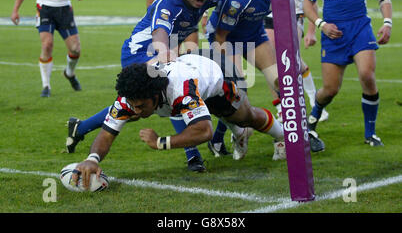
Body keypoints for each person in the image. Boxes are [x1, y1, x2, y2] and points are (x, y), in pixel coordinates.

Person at [66, 0, 219, 172]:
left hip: (161, 52)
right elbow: (160, 33)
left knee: (137, 108)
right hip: (140, 53)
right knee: (170, 90)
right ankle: (192, 153)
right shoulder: (168, 4)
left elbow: (226, 1)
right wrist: (165, 52)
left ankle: (80, 128)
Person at [70, 51, 285, 189]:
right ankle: (239, 133)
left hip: (215, 71)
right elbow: (107, 132)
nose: (136, 110)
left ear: (156, 95)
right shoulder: (132, 96)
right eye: (132, 105)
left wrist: (161, 143)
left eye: (142, 106)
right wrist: (93, 158)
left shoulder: (181, 90)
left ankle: (282, 136)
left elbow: (204, 131)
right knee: (213, 115)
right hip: (191, 68)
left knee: (245, 117)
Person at [303, 0, 393, 151]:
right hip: (333, 33)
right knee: (330, 89)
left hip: (360, 29)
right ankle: (311, 122)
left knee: (367, 75)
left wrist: (387, 22)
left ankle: (370, 133)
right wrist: (321, 25)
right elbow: (307, 4)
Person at [205, 0, 286, 161]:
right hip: (225, 37)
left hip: (254, 35)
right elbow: (221, 35)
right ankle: (236, 134)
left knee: (280, 81)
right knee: (236, 94)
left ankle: (284, 139)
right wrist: (228, 72)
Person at [247, 0, 329, 123]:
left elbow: (309, 0)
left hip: (293, 18)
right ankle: (284, 108)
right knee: (272, 63)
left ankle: (312, 98)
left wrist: (311, 31)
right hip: (265, 17)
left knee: (293, 63)